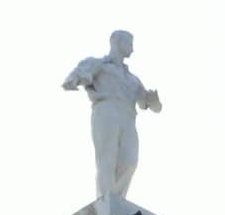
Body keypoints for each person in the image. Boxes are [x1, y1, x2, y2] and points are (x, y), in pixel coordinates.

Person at [63, 30, 162, 200]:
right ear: (117, 42)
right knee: (107, 157)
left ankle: (117, 199)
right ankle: (106, 199)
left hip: (128, 115)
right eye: (130, 43)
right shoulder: (97, 64)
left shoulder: (133, 79)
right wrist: (77, 80)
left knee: (130, 161)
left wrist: (154, 101)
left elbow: (152, 106)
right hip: (106, 110)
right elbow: (73, 79)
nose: (132, 49)